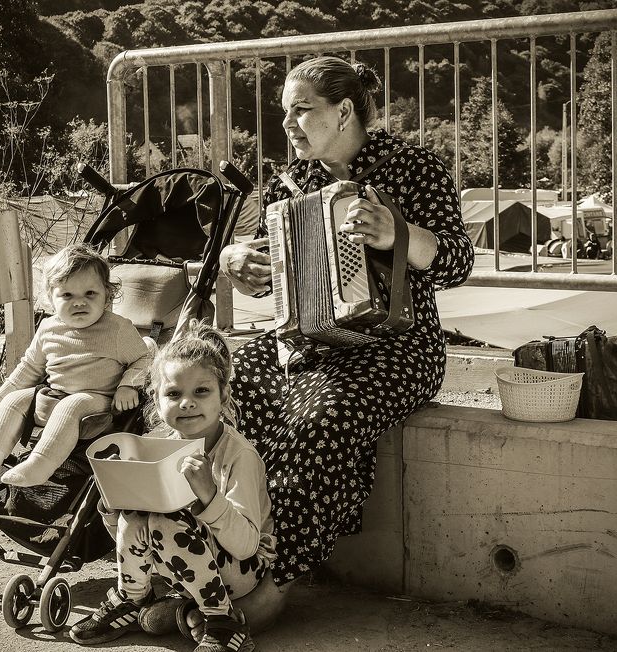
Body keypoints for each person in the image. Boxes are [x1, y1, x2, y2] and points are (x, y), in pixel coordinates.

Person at [155, 55, 475, 638]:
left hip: (395, 348)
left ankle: (273, 582)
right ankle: (201, 565)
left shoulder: (412, 165)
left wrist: (397, 234)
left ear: (344, 111)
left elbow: (458, 260)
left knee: (321, 420)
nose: (289, 125)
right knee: (226, 389)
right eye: (286, 114)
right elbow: (260, 255)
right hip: (307, 343)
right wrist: (237, 262)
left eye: (302, 110)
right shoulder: (292, 180)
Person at [69, 320, 275, 652]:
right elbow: (132, 535)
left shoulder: (239, 455)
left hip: (240, 572)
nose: (187, 403)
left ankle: (224, 621)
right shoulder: (154, 446)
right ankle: (133, 596)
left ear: (224, 396)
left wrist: (209, 494)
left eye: (202, 391)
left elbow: (247, 546)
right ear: (156, 398)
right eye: (174, 393)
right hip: (179, 570)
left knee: (164, 520)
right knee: (135, 510)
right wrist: (112, 506)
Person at [0, 243, 149, 487]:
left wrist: (128, 385)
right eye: (67, 295)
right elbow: (30, 367)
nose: (79, 302)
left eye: (90, 294)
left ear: (107, 295)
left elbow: (145, 358)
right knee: (15, 401)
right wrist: (2, 394)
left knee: (72, 404)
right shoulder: (49, 328)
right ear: (51, 299)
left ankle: (40, 465)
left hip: (99, 401)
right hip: (54, 395)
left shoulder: (117, 329)